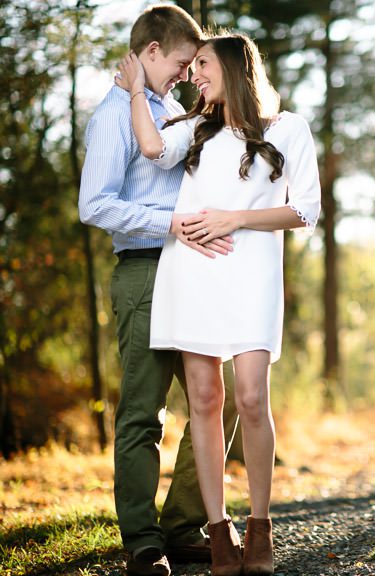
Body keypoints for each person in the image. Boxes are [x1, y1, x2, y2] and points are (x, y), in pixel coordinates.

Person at [117, 30, 321, 576]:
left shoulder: (288, 128)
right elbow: (153, 148)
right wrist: (138, 89)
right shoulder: (194, 130)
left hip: (252, 273)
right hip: (192, 272)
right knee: (204, 401)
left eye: (202, 64)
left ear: (233, 67)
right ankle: (219, 530)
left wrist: (235, 218)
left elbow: (305, 211)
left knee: (252, 398)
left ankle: (260, 525)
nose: (193, 75)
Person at [78, 6, 241, 576]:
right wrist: (165, 222)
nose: (183, 73)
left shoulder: (172, 111)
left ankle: (184, 525)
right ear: (149, 52)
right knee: (144, 414)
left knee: (218, 404)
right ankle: (143, 541)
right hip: (146, 269)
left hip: (193, 270)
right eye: (177, 61)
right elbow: (93, 204)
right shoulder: (111, 118)